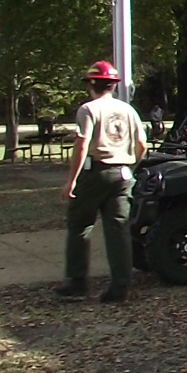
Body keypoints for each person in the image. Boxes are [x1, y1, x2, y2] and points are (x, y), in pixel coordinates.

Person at [57, 60, 147, 303]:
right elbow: (142, 144)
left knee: (79, 225)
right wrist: (130, 167)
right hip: (122, 173)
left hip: (96, 172)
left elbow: (83, 143)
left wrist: (71, 181)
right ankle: (121, 287)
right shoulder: (129, 110)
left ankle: (77, 282)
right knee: (119, 229)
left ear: (92, 83)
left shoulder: (89, 109)